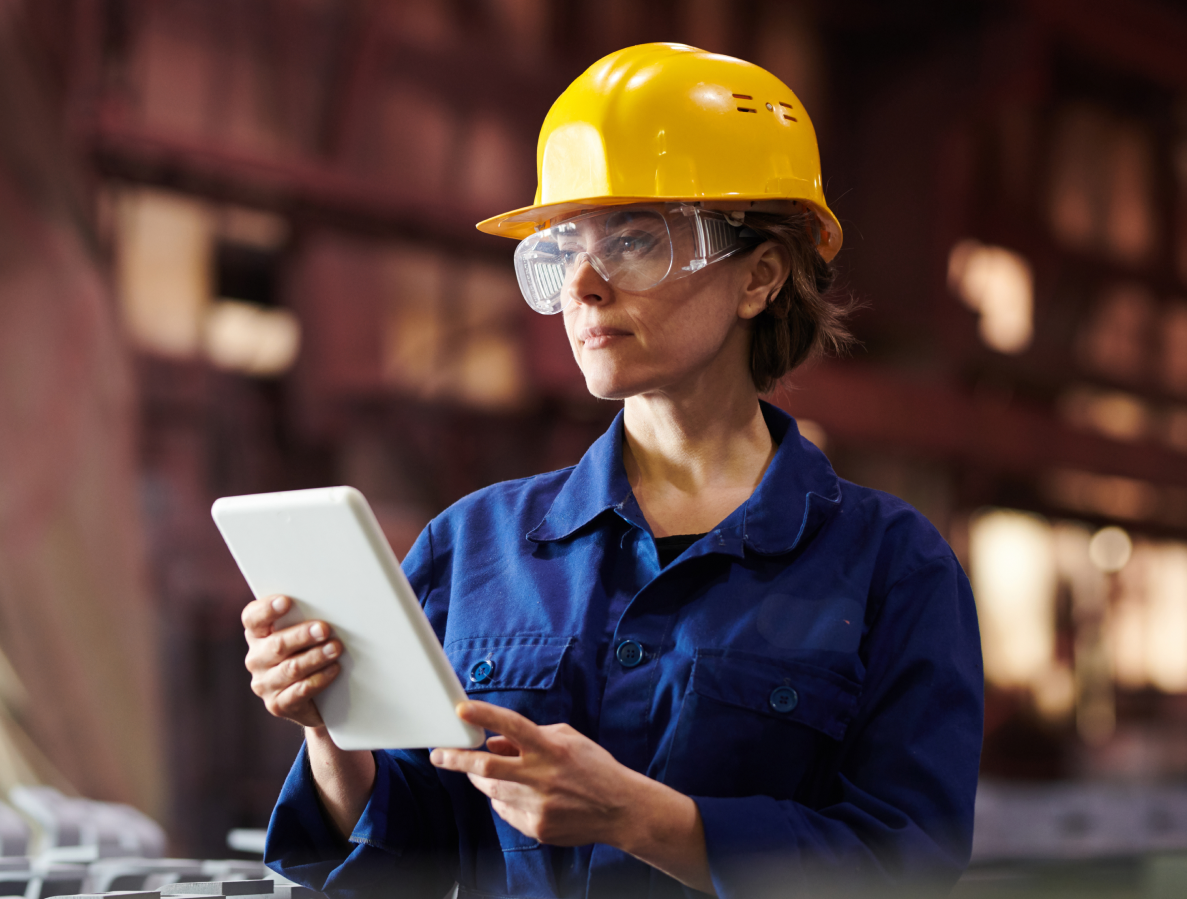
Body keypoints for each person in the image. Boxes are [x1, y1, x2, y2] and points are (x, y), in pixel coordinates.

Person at [242, 43, 983, 899]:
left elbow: (907, 868)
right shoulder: (474, 546)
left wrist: (640, 817)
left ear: (761, 276)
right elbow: (407, 859)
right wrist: (332, 729)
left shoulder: (894, 568)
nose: (583, 285)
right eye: (562, 249)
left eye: (635, 241)